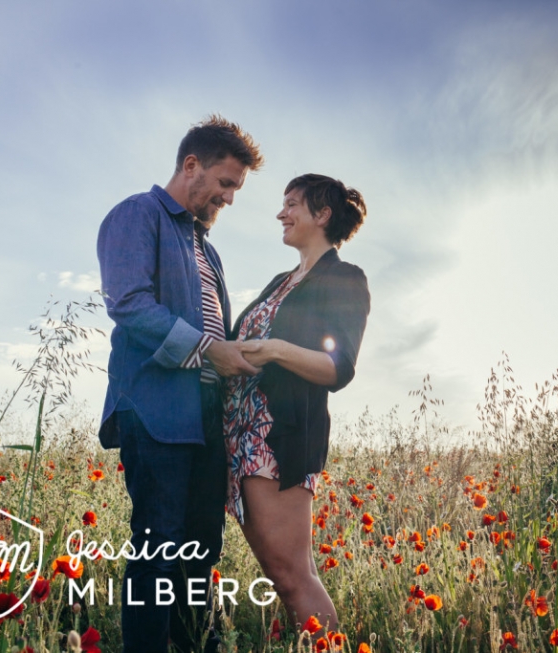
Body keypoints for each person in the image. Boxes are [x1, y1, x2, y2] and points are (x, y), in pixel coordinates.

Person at [96, 115, 263, 653]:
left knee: (201, 552)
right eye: (227, 183)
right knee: (158, 551)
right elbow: (129, 303)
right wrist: (212, 349)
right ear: (192, 165)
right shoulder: (137, 214)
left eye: (235, 187)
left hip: (205, 415)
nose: (230, 198)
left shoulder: (206, 248)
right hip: (156, 411)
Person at [224, 173, 370, 635]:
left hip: (276, 441)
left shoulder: (345, 278)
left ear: (322, 214)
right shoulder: (280, 281)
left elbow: (339, 366)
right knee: (280, 573)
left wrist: (274, 349)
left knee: (291, 576)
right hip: (239, 436)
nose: (281, 213)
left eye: (291, 204)